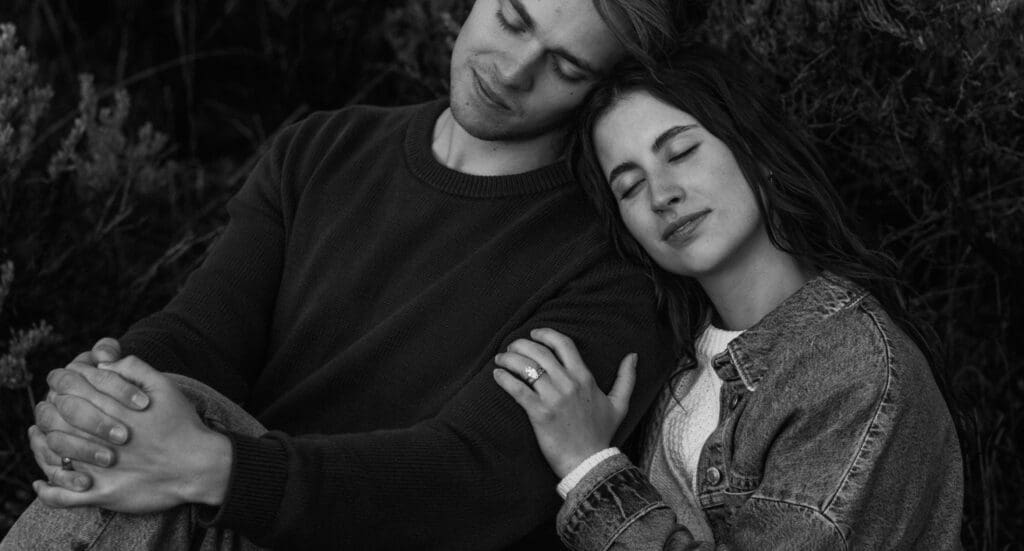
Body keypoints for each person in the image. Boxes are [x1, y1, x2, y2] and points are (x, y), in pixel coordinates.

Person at [1, 2, 710, 549]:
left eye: (567, 67)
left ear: (603, 91)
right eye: (513, 19)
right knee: (135, 403)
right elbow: (201, 334)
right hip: (222, 515)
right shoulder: (324, 147)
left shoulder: (613, 262)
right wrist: (91, 399)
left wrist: (218, 467)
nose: (514, 68)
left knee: (164, 424)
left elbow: (470, 483)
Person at [492, 47, 964, 550]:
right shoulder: (669, 348)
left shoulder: (854, 373)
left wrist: (589, 467)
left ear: (754, 148)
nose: (661, 195)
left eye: (680, 152)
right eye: (629, 187)